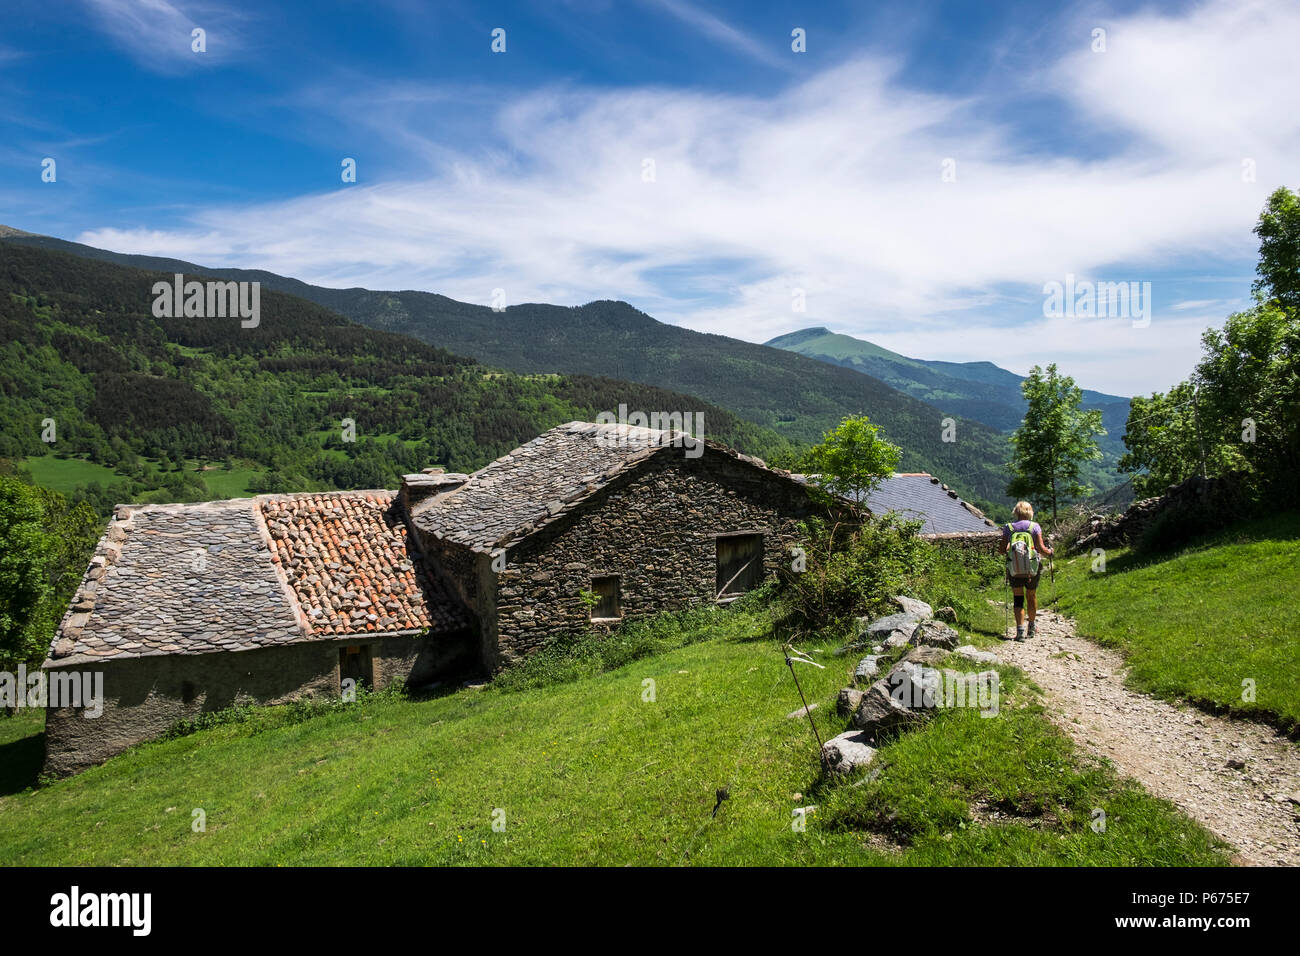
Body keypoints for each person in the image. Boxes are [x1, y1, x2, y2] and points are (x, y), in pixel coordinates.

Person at [998, 500, 1053, 641]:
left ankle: (1020, 631)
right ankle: (1032, 627)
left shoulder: (1009, 528)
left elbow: (1001, 550)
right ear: (1030, 512)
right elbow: (1040, 549)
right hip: (1032, 568)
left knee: (1018, 599)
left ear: (1016, 512)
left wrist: (1012, 549)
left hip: (1014, 568)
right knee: (1031, 596)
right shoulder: (1035, 527)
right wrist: (1050, 551)